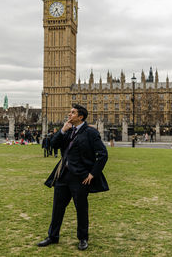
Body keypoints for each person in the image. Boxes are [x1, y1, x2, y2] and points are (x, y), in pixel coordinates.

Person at [37, 104, 109, 251]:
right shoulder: (67, 131)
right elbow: (52, 145)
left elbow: (103, 155)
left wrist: (92, 174)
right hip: (63, 175)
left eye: (73, 113)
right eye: (70, 112)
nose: (69, 115)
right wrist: (62, 131)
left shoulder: (90, 132)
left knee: (81, 209)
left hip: (80, 178)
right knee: (57, 207)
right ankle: (53, 236)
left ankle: (83, 238)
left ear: (80, 117)